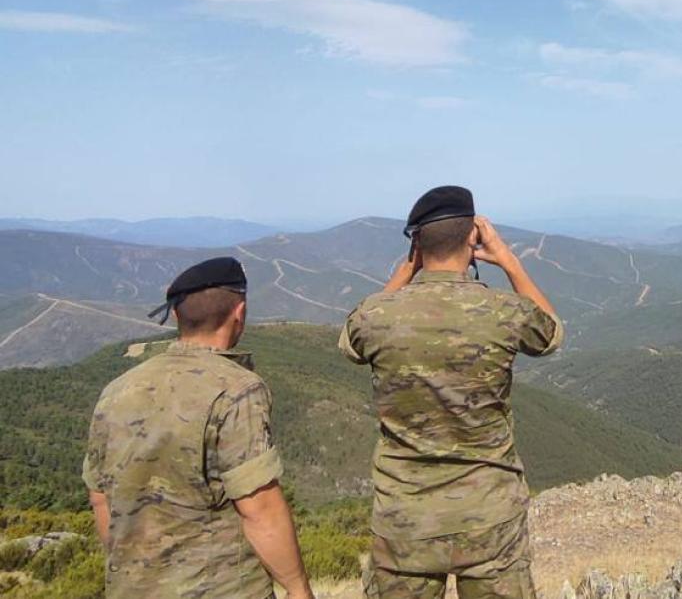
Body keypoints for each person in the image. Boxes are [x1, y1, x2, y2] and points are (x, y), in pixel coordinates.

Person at [340, 185, 564, 599]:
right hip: (490, 519)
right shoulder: (504, 313)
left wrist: (407, 270)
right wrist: (509, 260)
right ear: (472, 239)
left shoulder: (375, 316)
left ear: (417, 246)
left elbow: (350, 343)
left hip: (405, 523)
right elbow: (550, 335)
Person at [82, 257, 314, 599]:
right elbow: (259, 507)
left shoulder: (117, 390)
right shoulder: (238, 388)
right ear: (240, 312)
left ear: (176, 316)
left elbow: (100, 497)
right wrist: (298, 589)